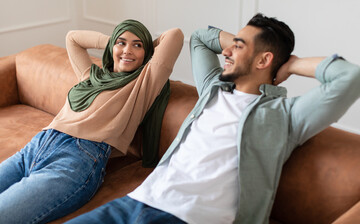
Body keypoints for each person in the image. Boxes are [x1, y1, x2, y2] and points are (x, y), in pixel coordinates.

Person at [65, 13, 360, 224]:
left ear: (264, 60)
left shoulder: (285, 115)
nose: (228, 51)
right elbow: (200, 40)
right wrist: (242, 46)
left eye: (239, 46)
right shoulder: (212, 89)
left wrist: (291, 64)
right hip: (134, 202)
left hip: (186, 217)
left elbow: (349, 77)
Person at [0, 20, 184, 223]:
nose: (128, 50)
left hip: (74, 162)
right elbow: (73, 38)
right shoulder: (90, 76)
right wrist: (114, 41)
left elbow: (175, 35)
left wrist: (145, 46)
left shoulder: (143, 83)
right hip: (33, 148)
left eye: (137, 45)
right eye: (121, 42)